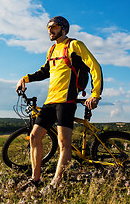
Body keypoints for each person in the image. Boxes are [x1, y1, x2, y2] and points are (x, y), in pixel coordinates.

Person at [16, 16, 103, 192]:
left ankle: (55, 183)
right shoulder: (52, 50)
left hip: (67, 101)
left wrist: (95, 94)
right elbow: (44, 71)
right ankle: (36, 179)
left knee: (64, 143)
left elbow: (95, 66)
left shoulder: (75, 45)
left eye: (53, 27)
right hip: (50, 101)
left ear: (63, 29)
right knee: (34, 137)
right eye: (48, 28)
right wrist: (25, 78)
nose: (50, 30)